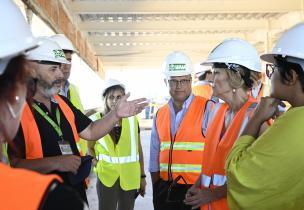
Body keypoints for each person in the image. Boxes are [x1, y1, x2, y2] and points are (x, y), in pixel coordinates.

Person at [8, 37, 147, 203]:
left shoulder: (62, 103)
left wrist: (115, 114)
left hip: (74, 194)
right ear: (31, 70)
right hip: (40, 200)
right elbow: (14, 165)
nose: (61, 74)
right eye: (53, 69)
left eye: (60, 68)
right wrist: (56, 162)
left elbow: (91, 130)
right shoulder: (15, 110)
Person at [0, 0, 86, 209]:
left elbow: (89, 129)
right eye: (25, 79)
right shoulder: (50, 200)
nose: (60, 74)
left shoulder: (64, 100)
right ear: (15, 94)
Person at [225, 22, 304, 210]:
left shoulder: (295, 125)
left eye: (272, 70)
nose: (269, 77)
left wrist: (257, 117)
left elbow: (237, 173)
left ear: (291, 76)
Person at [184, 38, 268, 210]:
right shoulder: (218, 111)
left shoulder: (257, 117)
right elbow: (212, 163)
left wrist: (211, 195)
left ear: (235, 76)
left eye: (216, 72)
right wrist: (198, 184)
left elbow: (257, 176)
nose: (211, 79)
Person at [149, 51, 210, 210]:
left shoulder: (207, 108)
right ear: (165, 81)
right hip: (164, 189)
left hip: (194, 190)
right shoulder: (160, 114)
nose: (179, 86)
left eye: (183, 80)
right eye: (173, 81)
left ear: (191, 80)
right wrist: (156, 187)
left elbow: (217, 155)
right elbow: (154, 155)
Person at [87, 79, 146, 210]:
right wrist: (97, 164)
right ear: (105, 100)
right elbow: (89, 148)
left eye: (119, 97)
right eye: (111, 97)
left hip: (129, 177)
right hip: (106, 177)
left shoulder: (132, 120)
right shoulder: (96, 120)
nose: (115, 101)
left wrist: (142, 176)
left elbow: (138, 150)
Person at [50, 34, 88, 155]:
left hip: (79, 159)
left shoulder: (74, 90)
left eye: (69, 60)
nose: (66, 65)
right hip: (58, 161)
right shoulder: (45, 93)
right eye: (62, 60)